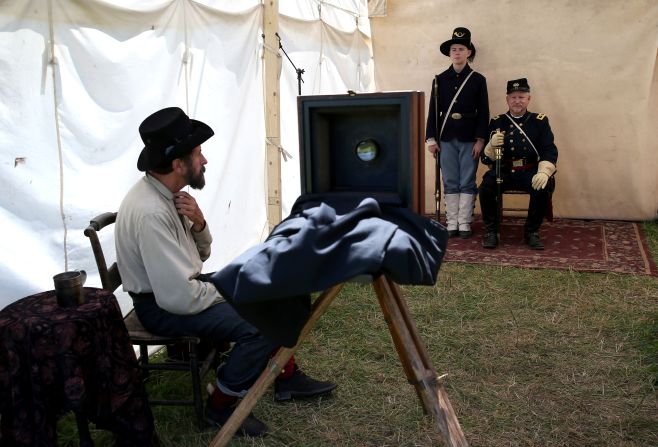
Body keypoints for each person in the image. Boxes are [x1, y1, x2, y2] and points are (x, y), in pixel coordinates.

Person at [115, 107, 337, 437]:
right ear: (178, 164)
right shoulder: (151, 213)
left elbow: (199, 257)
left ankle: (284, 377)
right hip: (161, 306)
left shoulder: (168, 196)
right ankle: (220, 407)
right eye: (198, 153)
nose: (203, 161)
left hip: (178, 290)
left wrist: (200, 223)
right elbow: (179, 297)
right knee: (257, 326)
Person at [478, 78, 558, 250]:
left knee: (543, 188)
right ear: (507, 100)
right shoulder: (497, 121)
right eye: (513, 97)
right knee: (486, 187)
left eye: (521, 97)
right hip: (504, 170)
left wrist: (544, 172)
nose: (517, 101)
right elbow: (486, 160)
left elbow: (548, 149)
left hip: (529, 170)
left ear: (528, 99)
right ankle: (491, 232)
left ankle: (531, 232)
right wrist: (491, 146)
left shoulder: (540, 121)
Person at [426, 26, 489, 238]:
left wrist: (481, 139)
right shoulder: (439, 79)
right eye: (454, 49)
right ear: (449, 53)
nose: (457, 52)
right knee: (450, 180)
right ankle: (451, 222)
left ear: (469, 52)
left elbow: (484, 112)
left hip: (470, 137)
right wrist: (431, 139)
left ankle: (465, 222)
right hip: (446, 137)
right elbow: (433, 112)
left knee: (468, 180)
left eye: (461, 48)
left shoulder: (478, 80)